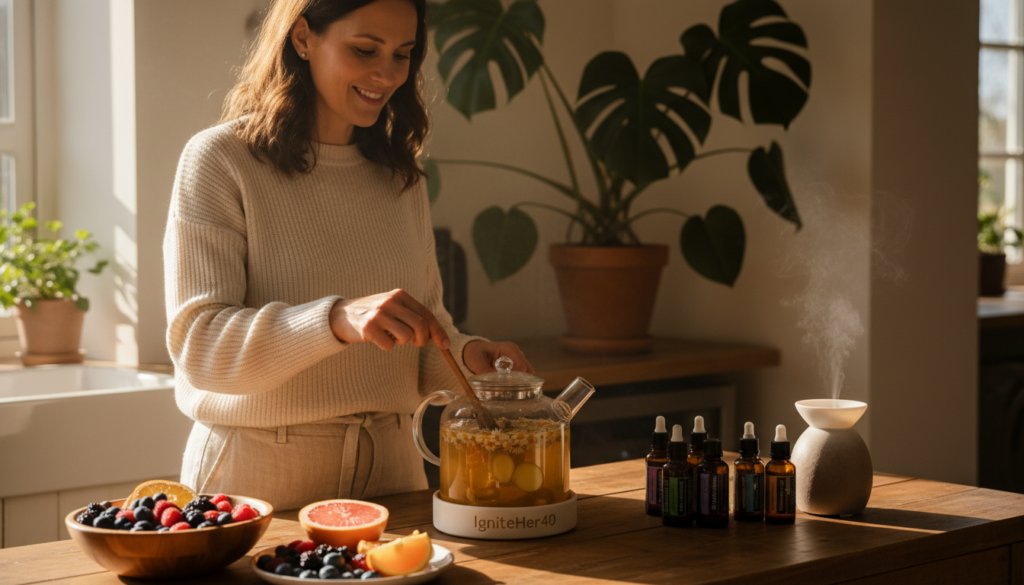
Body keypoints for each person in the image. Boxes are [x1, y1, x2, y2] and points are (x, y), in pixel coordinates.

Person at [163, 0, 532, 511]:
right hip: (256, 476)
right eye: (364, 49)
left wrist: (469, 358)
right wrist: (336, 319)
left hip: (394, 474)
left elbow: (421, 339)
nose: (386, 74)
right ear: (302, 38)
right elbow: (200, 348)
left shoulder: (401, 177)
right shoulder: (221, 161)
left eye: (403, 54)